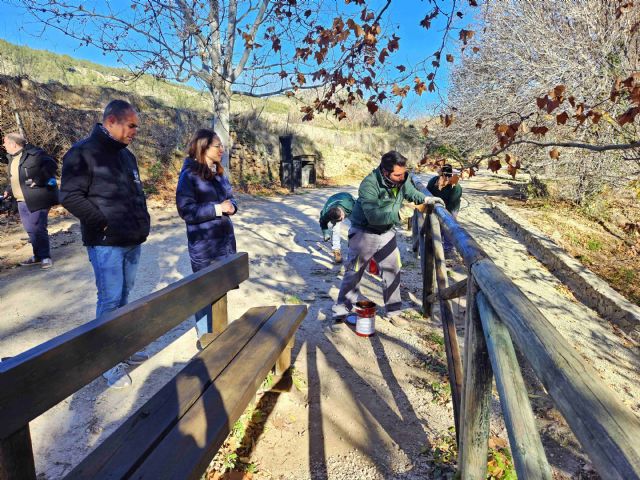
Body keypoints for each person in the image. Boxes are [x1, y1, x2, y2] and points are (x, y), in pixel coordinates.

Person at [60, 99, 151, 388]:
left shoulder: (127, 156)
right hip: (106, 243)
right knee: (110, 300)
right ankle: (106, 363)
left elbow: (137, 195)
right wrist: (102, 223)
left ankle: (121, 351)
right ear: (111, 121)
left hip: (132, 240)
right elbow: (70, 196)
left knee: (123, 298)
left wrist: (142, 222)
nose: (135, 131)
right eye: (131, 125)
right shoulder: (82, 153)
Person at [332, 151, 442, 322]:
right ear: (385, 172)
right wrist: (401, 213)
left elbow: (411, 193)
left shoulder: (402, 179)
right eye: (397, 174)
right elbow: (374, 217)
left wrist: (427, 199)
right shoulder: (369, 185)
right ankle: (342, 310)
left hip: (387, 233)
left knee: (392, 270)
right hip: (364, 232)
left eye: (403, 173)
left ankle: (393, 312)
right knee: (354, 272)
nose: (401, 177)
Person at [176, 129, 237, 349]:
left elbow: (230, 198)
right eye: (217, 146)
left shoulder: (219, 172)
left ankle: (219, 333)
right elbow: (187, 211)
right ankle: (205, 338)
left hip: (224, 241)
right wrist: (217, 208)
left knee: (221, 288)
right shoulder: (189, 175)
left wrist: (232, 207)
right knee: (204, 292)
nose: (222, 149)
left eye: (222, 146)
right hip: (203, 244)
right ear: (203, 147)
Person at [2, 132, 59, 269]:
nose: (3, 145)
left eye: (5, 142)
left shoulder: (35, 153)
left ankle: (45, 257)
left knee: (38, 228)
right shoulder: (11, 158)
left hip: (38, 197)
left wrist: (39, 180)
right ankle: (38, 256)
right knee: (30, 229)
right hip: (21, 200)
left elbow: (52, 166)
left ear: (13, 144)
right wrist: (9, 190)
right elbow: (15, 177)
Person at [426, 164, 462, 257]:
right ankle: (436, 244)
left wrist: (443, 215)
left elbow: (451, 205)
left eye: (448, 177)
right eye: (443, 176)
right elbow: (426, 193)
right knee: (434, 225)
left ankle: (448, 249)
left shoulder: (456, 188)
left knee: (448, 226)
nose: (446, 179)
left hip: (451, 208)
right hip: (436, 205)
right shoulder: (433, 181)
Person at [319, 192, 355, 264]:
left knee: (355, 226)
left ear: (342, 213)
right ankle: (336, 251)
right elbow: (322, 222)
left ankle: (354, 249)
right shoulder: (326, 213)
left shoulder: (350, 205)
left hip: (346, 198)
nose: (341, 221)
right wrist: (325, 233)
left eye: (341, 219)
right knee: (335, 227)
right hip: (333, 201)